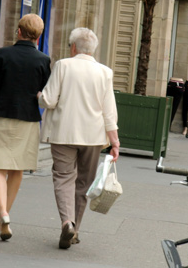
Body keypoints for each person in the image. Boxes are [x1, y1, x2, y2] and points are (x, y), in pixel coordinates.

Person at [37, 27, 119, 249]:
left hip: (63, 133)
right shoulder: (105, 72)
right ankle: (76, 229)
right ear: (93, 49)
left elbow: (50, 100)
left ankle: (67, 221)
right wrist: (115, 141)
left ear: (73, 47)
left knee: (63, 178)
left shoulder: (63, 65)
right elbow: (109, 111)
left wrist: (40, 96)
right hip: (92, 137)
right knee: (84, 183)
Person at [0, 14, 51, 241]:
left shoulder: (2, 54)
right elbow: (44, 92)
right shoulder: (43, 60)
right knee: (17, 169)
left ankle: (3, 214)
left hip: (0, 116)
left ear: (18, 31)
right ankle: (2, 218)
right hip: (28, 120)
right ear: (39, 36)